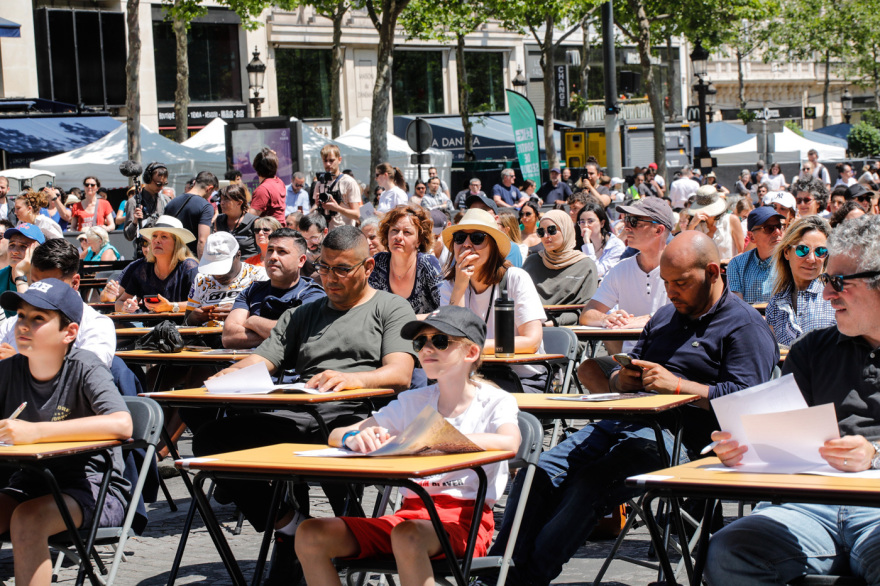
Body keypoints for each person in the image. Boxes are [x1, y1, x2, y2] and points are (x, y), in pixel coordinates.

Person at [488, 231, 779, 586]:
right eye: (666, 283)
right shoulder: (664, 317)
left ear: (714, 272)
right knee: (538, 472)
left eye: (682, 283)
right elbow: (629, 367)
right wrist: (618, 381)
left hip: (688, 441)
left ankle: (526, 579)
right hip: (625, 422)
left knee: (591, 483)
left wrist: (678, 386)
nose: (672, 292)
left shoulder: (745, 325)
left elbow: (747, 401)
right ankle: (498, 575)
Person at [194, 226, 416, 583]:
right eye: (324, 268)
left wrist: (356, 379)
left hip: (356, 416)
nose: (330, 278)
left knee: (324, 445)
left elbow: (401, 372)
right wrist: (227, 376)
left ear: (369, 266)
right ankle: (292, 525)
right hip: (301, 413)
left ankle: (339, 539)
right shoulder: (304, 313)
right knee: (210, 441)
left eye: (342, 269)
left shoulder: (390, 307)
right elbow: (263, 359)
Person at [705, 213, 880, 586]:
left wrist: (876, 455)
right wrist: (746, 449)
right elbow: (785, 442)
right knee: (729, 550)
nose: (828, 292)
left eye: (838, 281)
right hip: (808, 504)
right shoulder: (812, 350)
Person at [296, 305, 520, 585]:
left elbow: (510, 441)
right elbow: (335, 435)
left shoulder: (495, 401)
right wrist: (352, 438)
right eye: (420, 342)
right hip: (407, 516)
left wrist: (433, 440)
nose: (427, 349)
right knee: (310, 533)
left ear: (471, 352)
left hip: (465, 522)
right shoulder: (414, 401)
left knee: (408, 535)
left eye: (440, 341)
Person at [0, 279, 132, 586]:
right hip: (29, 482)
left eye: (38, 319)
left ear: (69, 332)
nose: (24, 326)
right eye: (20, 316)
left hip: (94, 488)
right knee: (24, 511)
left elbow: (122, 424)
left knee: (28, 520)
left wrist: (36, 432)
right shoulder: (9, 370)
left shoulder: (85, 366)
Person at [440, 208, 547, 393]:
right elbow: (452, 339)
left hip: (522, 378)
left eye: (477, 238)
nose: (466, 244)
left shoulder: (515, 278)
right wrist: (459, 288)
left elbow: (532, 341)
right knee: (431, 400)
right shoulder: (449, 285)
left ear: (493, 245)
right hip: (471, 377)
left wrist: (473, 348)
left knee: (462, 397)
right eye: (459, 238)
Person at [576, 199, 674, 392]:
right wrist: (607, 318)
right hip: (631, 361)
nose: (626, 226)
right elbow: (587, 315)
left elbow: (692, 314)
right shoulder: (622, 269)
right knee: (588, 369)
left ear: (658, 230)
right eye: (626, 219)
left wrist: (649, 320)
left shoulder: (679, 266)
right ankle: (623, 417)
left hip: (672, 355)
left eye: (634, 221)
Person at [0, 238, 116, 367]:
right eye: (34, 282)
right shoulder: (14, 323)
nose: (41, 291)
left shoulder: (96, 325)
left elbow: (87, 376)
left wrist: (17, 365)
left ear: (75, 283)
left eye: (51, 285)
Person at [223, 229, 324, 349]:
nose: (273, 257)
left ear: (301, 261)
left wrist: (253, 321)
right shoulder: (251, 291)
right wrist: (283, 334)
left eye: (282, 252)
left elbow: (298, 335)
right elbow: (229, 337)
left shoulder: (313, 294)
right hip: (248, 365)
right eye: (270, 251)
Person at [765, 216, 835, 347]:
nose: (811, 259)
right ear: (786, 252)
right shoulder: (775, 305)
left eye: (820, 251)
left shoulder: (835, 299)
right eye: (802, 250)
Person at [523, 210, 597, 326]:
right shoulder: (532, 262)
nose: (546, 236)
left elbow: (586, 310)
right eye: (541, 232)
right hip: (530, 328)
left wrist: (552, 323)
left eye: (552, 230)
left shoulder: (585, 265)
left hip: (569, 334)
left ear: (566, 230)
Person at [115, 216, 199, 314]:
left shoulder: (190, 267)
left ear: (177, 243)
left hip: (184, 327)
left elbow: (200, 303)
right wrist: (126, 307)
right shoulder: (143, 269)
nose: (157, 240)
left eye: (164, 236)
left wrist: (171, 307)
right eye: (154, 236)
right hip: (149, 327)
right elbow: (119, 303)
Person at [368, 206, 441, 315]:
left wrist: (408, 321)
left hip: (422, 330)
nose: (398, 237)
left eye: (407, 232)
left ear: (419, 241)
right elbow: (365, 304)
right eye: (394, 230)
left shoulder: (428, 264)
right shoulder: (378, 262)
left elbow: (444, 310)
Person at [184, 232, 265, 327]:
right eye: (212, 266)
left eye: (221, 266)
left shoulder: (259, 276)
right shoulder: (202, 279)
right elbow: (186, 323)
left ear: (238, 255)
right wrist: (193, 319)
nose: (217, 273)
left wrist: (240, 314)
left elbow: (270, 319)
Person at [726, 207, 785, 304]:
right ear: (752, 237)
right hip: (748, 319)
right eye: (769, 228)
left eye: (779, 226)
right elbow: (737, 306)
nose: (777, 232)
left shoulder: (791, 261)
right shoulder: (737, 264)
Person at [681, 185, 744, 263]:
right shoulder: (697, 225)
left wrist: (723, 262)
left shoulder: (731, 220)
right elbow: (687, 247)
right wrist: (692, 224)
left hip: (727, 272)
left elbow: (742, 252)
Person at [163, 170, 216, 257]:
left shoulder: (172, 202)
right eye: (212, 192)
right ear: (209, 188)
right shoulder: (206, 206)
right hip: (191, 259)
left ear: (194, 183)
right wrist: (202, 266)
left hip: (171, 257)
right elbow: (202, 240)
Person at [123, 162, 171, 256]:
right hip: (144, 256)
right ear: (148, 179)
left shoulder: (166, 200)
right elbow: (128, 236)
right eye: (158, 184)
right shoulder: (134, 202)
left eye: (164, 184)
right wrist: (135, 221)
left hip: (164, 255)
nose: (161, 187)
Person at [313, 144, 362, 229]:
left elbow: (357, 215)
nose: (328, 164)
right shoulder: (320, 183)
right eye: (325, 161)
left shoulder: (348, 182)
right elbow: (316, 209)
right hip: (325, 233)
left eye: (331, 160)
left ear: (339, 160)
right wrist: (318, 204)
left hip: (344, 234)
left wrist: (338, 208)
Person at [0, 224, 46, 313]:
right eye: (12, 245)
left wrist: (20, 273)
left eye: (23, 246)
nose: (14, 251)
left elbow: (30, 316)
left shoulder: (47, 279)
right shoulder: (1, 276)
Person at [578, 201, 626, 278]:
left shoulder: (616, 246)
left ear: (602, 223)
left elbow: (596, 272)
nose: (586, 225)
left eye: (590, 221)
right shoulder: (580, 244)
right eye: (582, 222)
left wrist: (587, 243)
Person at [214, 184, 259, 259]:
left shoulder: (254, 222)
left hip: (249, 266)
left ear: (239, 203)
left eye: (226, 199)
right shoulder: (219, 220)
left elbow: (262, 250)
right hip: (226, 266)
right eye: (221, 199)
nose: (222, 203)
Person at [248, 148, 286, 223]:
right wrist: (272, 158)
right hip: (278, 229)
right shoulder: (279, 182)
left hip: (268, 231)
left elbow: (250, 218)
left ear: (256, 167)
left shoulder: (263, 189)